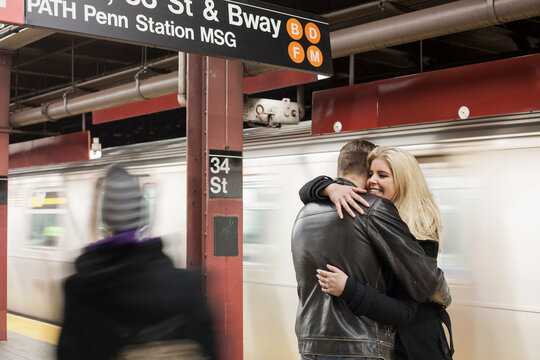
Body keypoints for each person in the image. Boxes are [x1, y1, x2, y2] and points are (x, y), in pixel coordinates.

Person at [291, 140, 451, 360]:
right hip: (388, 345)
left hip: (415, 347)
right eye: (370, 173)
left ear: (403, 181)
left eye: (382, 175)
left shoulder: (419, 232)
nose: (372, 181)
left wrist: (348, 288)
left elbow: (406, 310)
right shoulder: (370, 217)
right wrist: (330, 187)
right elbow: (305, 192)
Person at [57, 164, 216, 360]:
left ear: (106, 221)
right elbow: (209, 350)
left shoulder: (81, 291)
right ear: (140, 215)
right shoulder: (186, 285)